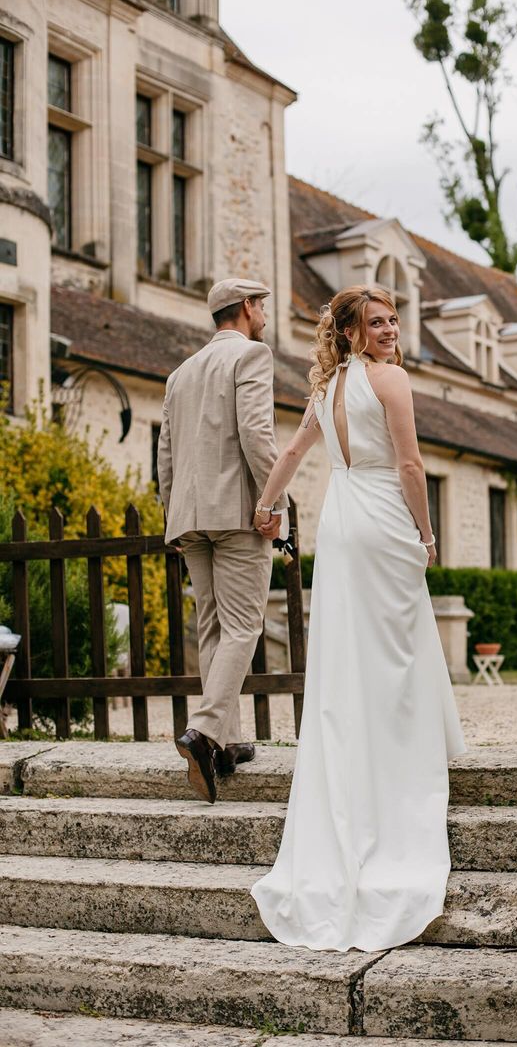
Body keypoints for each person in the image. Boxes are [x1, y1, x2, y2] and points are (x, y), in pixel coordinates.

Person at [249, 284, 466, 952]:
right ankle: (404, 751)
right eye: (375, 322)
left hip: (339, 524)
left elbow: (290, 457)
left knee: (348, 650)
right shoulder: (389, 380)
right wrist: (426, 534)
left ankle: (360, 752)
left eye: (393, 320)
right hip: (378, 516)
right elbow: (410, 463)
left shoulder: (326, 389)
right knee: (396, 646)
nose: (390, 330)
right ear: (349, 333)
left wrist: (267, 505)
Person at [157, 278, 288, 805]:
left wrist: (173, 514)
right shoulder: (252, 356)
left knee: (212, 626)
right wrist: (273, 504)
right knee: (243, 625)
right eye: (262, 307)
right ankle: (205, 730)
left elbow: (165, 453)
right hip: (237, 513)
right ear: (249, 308)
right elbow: (258, 434)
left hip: (189, 517)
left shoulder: (180, 373)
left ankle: (229, 743)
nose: (264, 316)